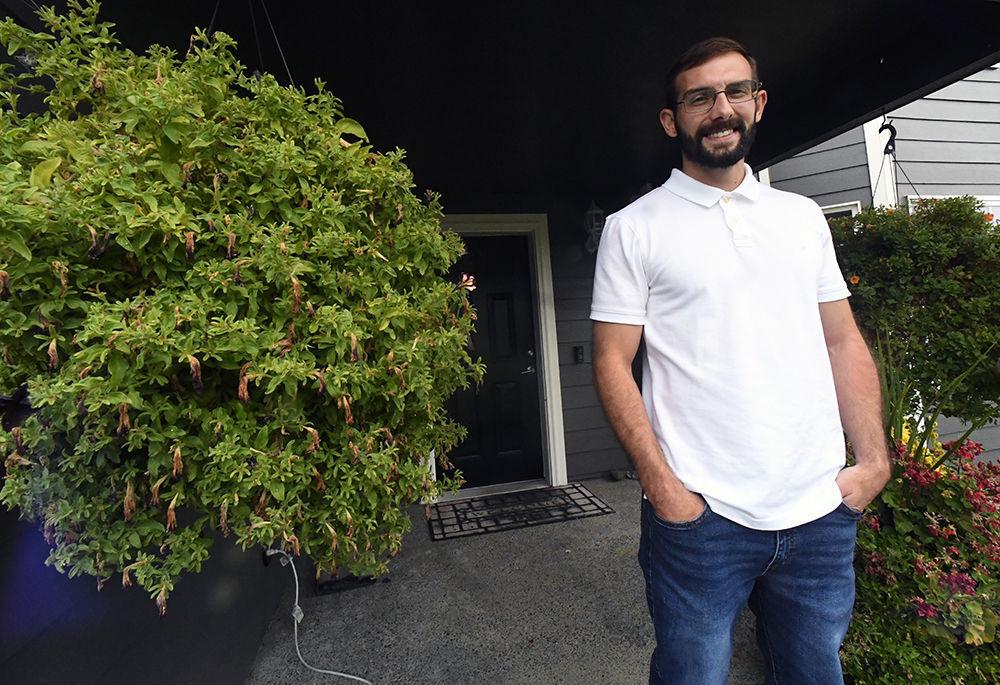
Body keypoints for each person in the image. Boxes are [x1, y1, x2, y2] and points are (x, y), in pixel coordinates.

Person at [590, 37, 891, 685]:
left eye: (733, 91)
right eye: (699, 97)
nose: (719, 108)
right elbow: (613, 361)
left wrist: (873, 460)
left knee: (815, 674)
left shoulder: (802, 217)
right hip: (704, 520)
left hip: (817, 511)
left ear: (758, 103)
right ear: (674, 120)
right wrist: (664, 487)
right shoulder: (634, 226)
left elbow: (842, 339)